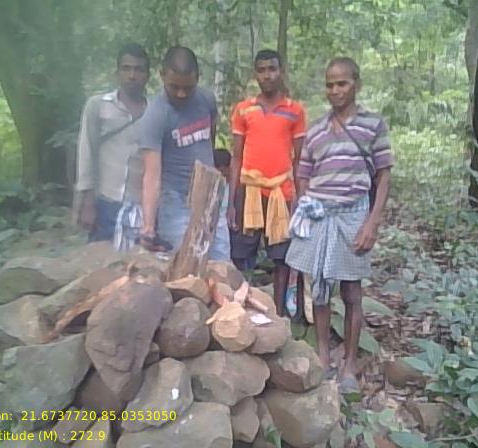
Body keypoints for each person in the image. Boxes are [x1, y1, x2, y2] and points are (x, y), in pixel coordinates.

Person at [286, 57, 394, 393]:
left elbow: (383, 176)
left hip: (352, 216)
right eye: (330, 84)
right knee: (319, 288)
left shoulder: (372, 125)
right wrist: (306, 205)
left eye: (342, 83)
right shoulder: (316, 129)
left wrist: (371, 223)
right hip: (320, 215)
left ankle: (348, 365)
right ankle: (322, 356)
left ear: (356, 84)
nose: (335, 90)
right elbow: (303, 173)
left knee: (351, 292)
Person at [227, 49, 306, 316]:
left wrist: (299, 200)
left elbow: (299, 161)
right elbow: (236, 158)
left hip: (282, 193)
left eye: (272, 69)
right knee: (241, 255)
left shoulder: (295, 111)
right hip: (249, 190)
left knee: (281, 258)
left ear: (280, 71)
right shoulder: (243, 109)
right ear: (255, 74)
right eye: (261, 70)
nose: (267, 75)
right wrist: (231, 202)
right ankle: (238, 313)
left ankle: (279, 315)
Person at [138, 46, 230, 260]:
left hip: (210, 196)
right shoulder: (155, 115)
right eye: (174, 87)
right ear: (162, 75)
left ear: (198, 78)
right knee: (186, 262)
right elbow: (151, 175)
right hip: (176, 200)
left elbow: (209, 137)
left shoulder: (206, 100)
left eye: (188, 88)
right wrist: (148, 226)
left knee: (221, 262)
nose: (181, 93)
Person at [74, 43, 150, 242]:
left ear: (147, 75)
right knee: (99, 258)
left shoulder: (154, 113)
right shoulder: (97, 106)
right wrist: (87, 202)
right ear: (117, 73)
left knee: (135, 261)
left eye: (139, 69)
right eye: (126, 69)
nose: (132, 75)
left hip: (139, 207)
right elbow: (86, 153)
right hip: (104, 203)